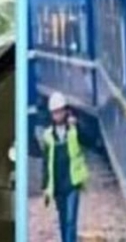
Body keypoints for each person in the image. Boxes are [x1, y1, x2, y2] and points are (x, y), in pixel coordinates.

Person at [42, 92, 88, 242]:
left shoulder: (74, 130)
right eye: (55, 112)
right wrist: (45, 187)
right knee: (63, 221)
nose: (58, 115)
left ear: (66, 111)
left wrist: (78, 125)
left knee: (70, 220)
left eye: (60, 111)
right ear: (51, 114)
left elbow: (90, 140)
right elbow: (46, 162)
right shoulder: (48, 135)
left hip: (73, 182)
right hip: (57, 186)